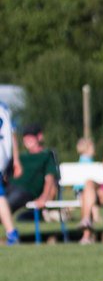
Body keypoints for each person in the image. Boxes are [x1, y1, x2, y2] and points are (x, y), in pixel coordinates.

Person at [3, 124, 58, 226]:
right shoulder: (20, 157)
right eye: (25, 136)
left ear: (39, 137)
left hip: (26, 191)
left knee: (6, 204)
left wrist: (44, 197)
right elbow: (6, 175)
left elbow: (50, 178)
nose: (27, 139)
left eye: (31, 136)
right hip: (9, 187)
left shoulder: (46, 156)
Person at [0, 97, 19, 245]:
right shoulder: (4, 107)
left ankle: (12, 232)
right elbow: (13, 135)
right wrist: (15, 159)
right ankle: (11, 232)